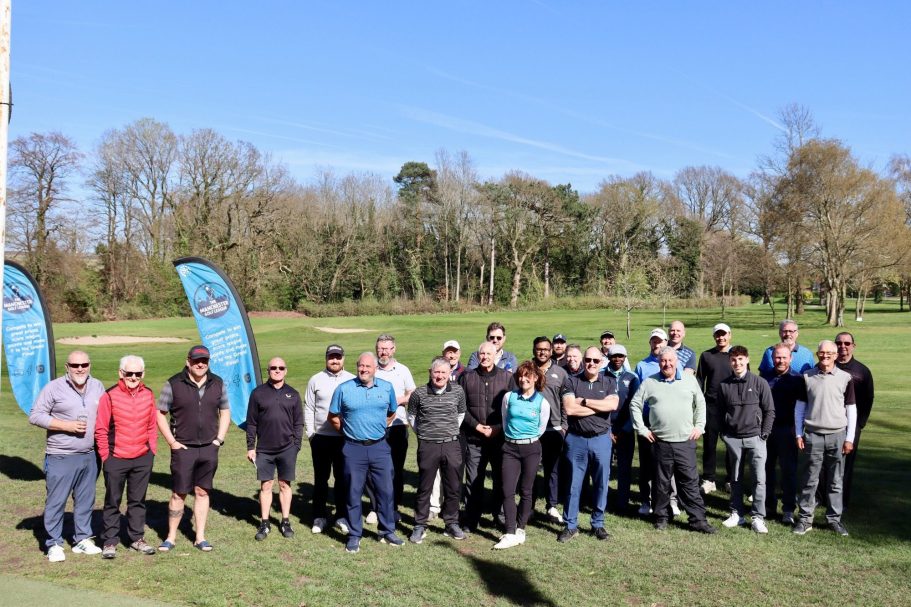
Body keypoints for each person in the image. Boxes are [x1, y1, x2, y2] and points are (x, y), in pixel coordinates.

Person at [29, 350, 106, 562]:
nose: (80, 369)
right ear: (67, 367)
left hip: (90, 455)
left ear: (89, 365)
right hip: (61, 455)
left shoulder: (97, 386)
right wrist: (67, 426)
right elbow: (35, 415)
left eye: (84, 365)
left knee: (85, 500)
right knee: (56, 501)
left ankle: (82, 538)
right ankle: (53, 543)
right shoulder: (54, 387)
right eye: (75, 365)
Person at [630, 347, 716, 534]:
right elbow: (635, 404)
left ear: (676, 361)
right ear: (659, 362)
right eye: (663, 361)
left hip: (685, 441)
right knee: (661, 483)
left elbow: (700, 403)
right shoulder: (650, 382)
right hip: (660, 442)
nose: (667, 364)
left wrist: (699, 426)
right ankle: (661, 517)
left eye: (670, 360)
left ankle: (698, 520)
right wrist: (642, 429)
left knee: (690, 483)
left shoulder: (689, 379)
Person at [156, 345, 230, 552]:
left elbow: (225, 411)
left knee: (202, 492)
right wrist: (172, 442)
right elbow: (160, 414)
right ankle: (170, 537)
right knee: (179, 493)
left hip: (209, 447)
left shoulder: (218, 383)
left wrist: (219, 440)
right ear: (188, 361)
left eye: (204, 361)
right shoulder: (173, 383)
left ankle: (200, 537)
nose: (200, 364)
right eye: (196, 360)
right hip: (183, 448)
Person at [329, 352, 403, 553]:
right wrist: (347, 432)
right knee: (353, 492)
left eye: (368, 366)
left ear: (375, 369)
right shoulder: (344, 389)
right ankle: (355, 535)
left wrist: (379, 427)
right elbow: (333, 416)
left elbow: (392, 412)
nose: (363, 370)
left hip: (380, 447)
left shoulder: (386, 388)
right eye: (361, 366)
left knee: (386, 491)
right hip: (353, 448)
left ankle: (387, 531)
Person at [95, 355, 158, 559]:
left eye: (137, 373)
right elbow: (101, 429)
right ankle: (110, 541)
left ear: (143, 374)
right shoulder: (109, 396)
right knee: (112, 501)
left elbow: (151, 425)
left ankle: (136, 538)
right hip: (116, 458)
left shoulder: (148, 394)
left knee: (137, 501)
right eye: (129, 373)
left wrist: (151, 450)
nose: (133, 377)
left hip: (142, 457)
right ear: (121, 373)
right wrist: (106, 456)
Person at [793, 340, 856, 537]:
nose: (825, 356)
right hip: (812, 435)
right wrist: (798, 433)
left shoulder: (846, 378)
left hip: (838, 435)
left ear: (836, 355)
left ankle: (834, 520)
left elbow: (851, 409)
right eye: (822, 352)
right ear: (817, 354)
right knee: (809, 479)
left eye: (829, 353)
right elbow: (800, 408)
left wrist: (850, 438)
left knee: (836, 480)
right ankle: (805, 520)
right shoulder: (807, 377)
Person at [557, 347, 619, 543]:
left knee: (601, 483)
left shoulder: (609, 382)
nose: (591, 363)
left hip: (601, 439)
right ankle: (570, 525)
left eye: (595, 360)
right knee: (573, 484)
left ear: (601, 362)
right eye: (588, 360)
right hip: (576, 439)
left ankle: (598, 524)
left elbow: (612, 405)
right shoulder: (571, 381)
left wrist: (583, 401)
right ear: (583, 360)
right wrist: (599, 407)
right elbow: (569, 409)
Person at [407, 357, 467, 543]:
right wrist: (425, 434)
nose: (440, 376)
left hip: (451, 444)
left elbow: (460, 414)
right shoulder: (419, 393)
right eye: (436, 372)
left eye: (443, 372)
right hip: (428, 445)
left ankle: (451, 523)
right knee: (424, 487)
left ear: (449, 374)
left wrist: (448, 431)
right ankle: (420, 524)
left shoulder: (458, 391)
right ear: (430, 372)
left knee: (453, 486)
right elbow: (411, 417)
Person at [717, 346, 775, 533]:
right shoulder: (724, 385)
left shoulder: (759, 382)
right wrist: (724, 434)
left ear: (747, 359)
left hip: (756, 438)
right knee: (735, 478)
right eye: (734, 360)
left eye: (741, 359)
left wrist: (764, 434)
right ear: (730, 362)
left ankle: (758, 517)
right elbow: (719, 412)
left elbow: (769, 411)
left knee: (759, 479)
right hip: (733, 439)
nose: (737, 363)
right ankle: (737, 514)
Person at [494, 361, 551, 549]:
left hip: (531, 449)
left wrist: (526, 439)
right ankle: (510, 531)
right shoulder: (509, 397)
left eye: (527, 376)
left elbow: (541, 428)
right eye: (520, 375)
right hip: (510, 448)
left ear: (535, 378)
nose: (523, 379)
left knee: (526, 490)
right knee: (507, 490)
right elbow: (505, 420)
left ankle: (520, 529)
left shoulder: (542, 402)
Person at [246, 357, 303, 541]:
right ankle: (265, 522)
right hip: (264, 449)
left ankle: (285, 521)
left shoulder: (293, 394)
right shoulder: (258, 393)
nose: (277, 370)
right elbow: (251, 423)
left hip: (287, 448)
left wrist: (296, 445)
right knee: (266, 485)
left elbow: (298, 423)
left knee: (285, 484)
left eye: (281, 368)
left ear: (286, 371)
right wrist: (250, 446)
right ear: (268, 371)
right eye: (273, 368)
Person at [458, 341, 511, 531]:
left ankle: (500, 516)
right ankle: (471, 518)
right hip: (475, 439)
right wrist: (477, 426)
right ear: (477, 355)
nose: (485, 357)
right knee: (473, 480)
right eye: (482, 354)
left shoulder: (507, 378)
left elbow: (512, 409)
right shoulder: (467, 377)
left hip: (499, 439)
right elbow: (460, 407)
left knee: (501, 479)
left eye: (489, 354)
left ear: (496, 355)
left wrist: (497, 428)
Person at [304, 344, 355, 534]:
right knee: (321, 479)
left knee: (342, 479)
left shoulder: (352, 379)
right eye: (331, 357)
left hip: (344, 438)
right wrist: (311, 433)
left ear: (343, 358)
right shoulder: (316, 379)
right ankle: (319, 516)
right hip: (321, 438)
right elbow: (309, 407)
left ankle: (341, 515)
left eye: (338, 357)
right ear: (326, 358)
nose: (335, 360)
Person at [369, 334, 416, 524]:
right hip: (375, 427)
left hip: (397, 426)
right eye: (381, 349)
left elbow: (412, 393)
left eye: (387, 348)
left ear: (393, 349)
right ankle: (375, 507)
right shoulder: (372, 369)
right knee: (374, 468)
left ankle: (393, 506)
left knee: (396, 469)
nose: (384, 352)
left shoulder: (402, 370)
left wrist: (398, 400)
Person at [761, 343, 803, 524]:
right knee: (766, 469)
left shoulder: (798, 379)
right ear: (772, 358)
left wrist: (799, 433)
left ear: (790, 358)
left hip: (788, 431)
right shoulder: (764, 378)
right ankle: (768, 505)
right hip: (767, 431)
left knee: (788, 471)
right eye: (777, 357)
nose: (781, 360)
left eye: (784, 357)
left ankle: (788, 509)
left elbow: (803, 409)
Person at [531, 336, 568, 523]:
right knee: (530, 469)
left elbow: (565, 401)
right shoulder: (527, 369)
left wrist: (564, 426)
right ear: (534, 350)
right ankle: (528, 506)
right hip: (531, 428)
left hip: (553, 428)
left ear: (551, 351)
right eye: (539, 349)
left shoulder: (560, 373)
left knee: (552, 469)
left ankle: (551, 506)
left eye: (546, 349)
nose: (542, 352)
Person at [834, 332, 873, 508]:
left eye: (847, 343)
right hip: (829, 422)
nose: (843, 346)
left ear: (853, 346)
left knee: (846, 463)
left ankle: (842, 499)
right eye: (839, 343)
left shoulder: (862, 371)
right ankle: (821, 496)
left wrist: (860, 423)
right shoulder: (827, 366)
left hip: (852, 424)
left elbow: (868, 398)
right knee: (826, 461)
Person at [695, 323, 733, 494]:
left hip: (731, 407)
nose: (721, 338)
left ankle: (731, 479)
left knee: (731, 444)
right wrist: (698, 403)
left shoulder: (736, 355)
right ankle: (709, 479)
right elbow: (699, 380)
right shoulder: (707, 355)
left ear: (729, 335)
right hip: (711, 406)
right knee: (709, 445)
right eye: (718, 335)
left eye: (724, 334)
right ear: (714, 336)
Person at [605, 345, 640, 514]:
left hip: (625, 430)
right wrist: (608, 430)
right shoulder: (601, 375)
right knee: (603, 467)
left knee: (624, 468)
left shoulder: (632, 377)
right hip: (605, 429)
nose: (617, 359)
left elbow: (636, 405)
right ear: (609, 357)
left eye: (621, 356)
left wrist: (624, 429)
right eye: (614, 356)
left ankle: (622, 503)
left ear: (625, 357)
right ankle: (601, 500)